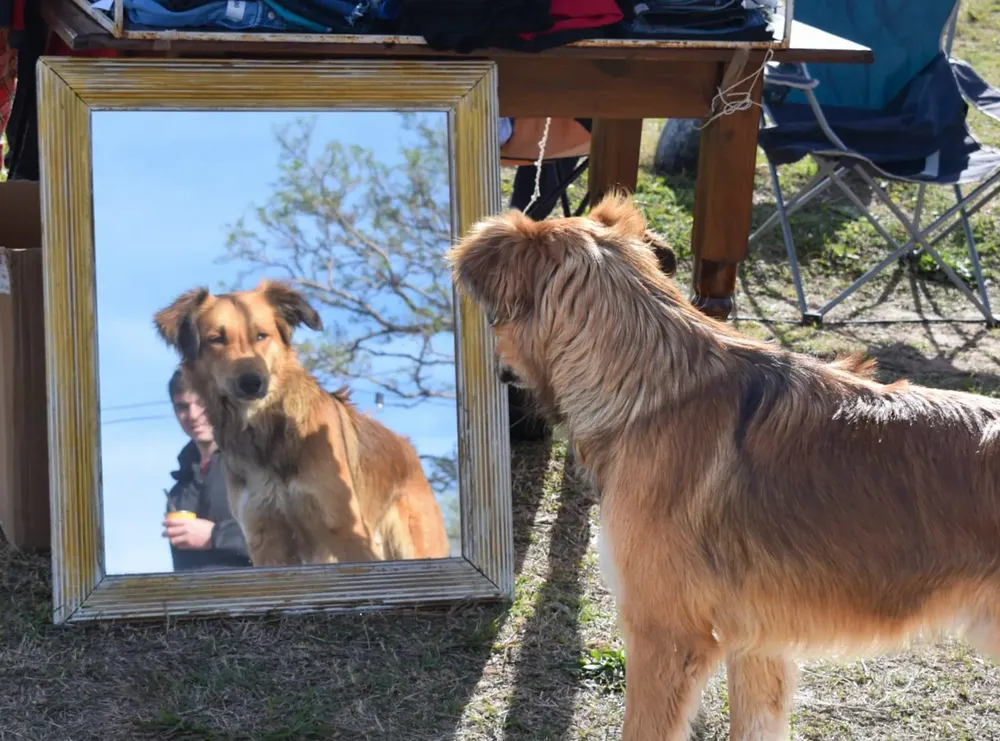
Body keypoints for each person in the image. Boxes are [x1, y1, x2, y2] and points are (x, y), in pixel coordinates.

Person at [162, 368, 252, 571]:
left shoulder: (254, 467)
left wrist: (215, 536)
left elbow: (289, 541)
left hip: (252, 599)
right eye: (182, 407)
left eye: (202, 403)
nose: (193, 415)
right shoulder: (178, 493)